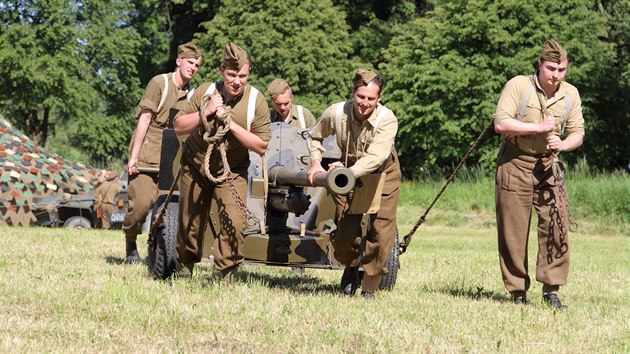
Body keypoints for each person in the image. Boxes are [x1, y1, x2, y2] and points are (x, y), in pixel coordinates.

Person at [493, 39, 584, 309]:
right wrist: (539, 128)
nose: (556, 75)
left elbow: (578, 131)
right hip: (515, 161)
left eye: (562, 69)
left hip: (549, 165)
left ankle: (551, 290)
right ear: (540, 65)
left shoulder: (571, 94)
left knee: (556, 227)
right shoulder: (518, 85)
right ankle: (518, 292)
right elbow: (501, 122)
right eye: (551, 68)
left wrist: (564, 144)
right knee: (513, 230)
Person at [173, 43, 271, 279]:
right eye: (231, 75)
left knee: (234, 222)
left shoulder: (256, 101)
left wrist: (231, 124)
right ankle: (184, 271)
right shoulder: (205, 92)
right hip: (196, 166)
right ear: (221, 71)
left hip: (231, 170)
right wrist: (205, 112)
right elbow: (178, 126)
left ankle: (225, 275)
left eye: (243, 76)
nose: (237, 81)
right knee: (190, 222)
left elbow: (261, 145)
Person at [306, 68, 401, 299]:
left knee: (381, 232)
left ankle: (369, 288)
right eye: (360, 97)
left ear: (379, 98)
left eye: (371, 98)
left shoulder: (386, 119)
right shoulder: (336, 112)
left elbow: (377, 156)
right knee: (345, 237)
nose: (365, 103)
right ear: (353, 93)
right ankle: (351, 265)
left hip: (382, 173)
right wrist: (316, 162)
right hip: (349, 171)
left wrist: (347, 172)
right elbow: (314, 135)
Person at [122, 42, 203, 263]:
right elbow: (145, 119)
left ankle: (156, 252)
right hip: (149, 151)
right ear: (179, 61)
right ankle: (130, 242)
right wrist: (133, 157)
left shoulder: (193, 94)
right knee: (140, 204)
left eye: (197, 65)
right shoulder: (160, 83)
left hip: (175, 155)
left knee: (167, 208)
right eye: (189, 63)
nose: (193, 68)